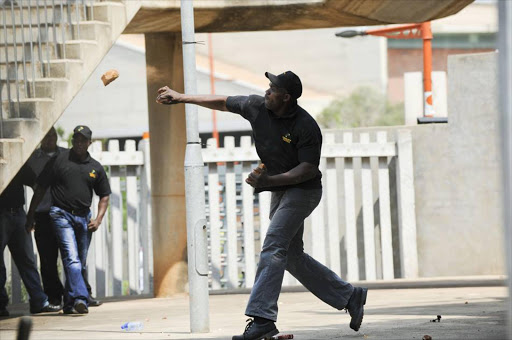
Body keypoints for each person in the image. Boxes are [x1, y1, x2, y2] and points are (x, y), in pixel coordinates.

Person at [156, 71, 368, 340]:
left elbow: (307, 169)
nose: (267, 91)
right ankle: (349, 296)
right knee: (291, 256)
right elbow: (222, 101)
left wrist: (268, 181)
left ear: (286, 97)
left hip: (303, 191)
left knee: (273, 247)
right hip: (280, 190)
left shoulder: (305, 126)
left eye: (273, 88)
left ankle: (262, 318)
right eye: (268, 86)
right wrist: (182, 97)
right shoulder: (257, 107)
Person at [26, 125, 111, 315]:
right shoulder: (59, 160)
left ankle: (69, 302)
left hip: (84, 217)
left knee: (78, 262)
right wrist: (31, 215)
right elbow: (40, 188)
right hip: (60, 214)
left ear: (89, 143)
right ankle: (81, 298)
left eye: (83, 140)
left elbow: (104, 195)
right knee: (71, 259)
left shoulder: (95, 167)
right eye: (76, 140)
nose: (79, 143)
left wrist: (97, 219)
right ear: (73, 141)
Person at [0, 163, 62, 316]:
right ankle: (1, 305)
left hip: (19, 213)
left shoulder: (16, 160)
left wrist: (32, 212)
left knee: (27, 259)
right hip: (3, 214)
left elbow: (37, 185)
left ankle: (39, 302)